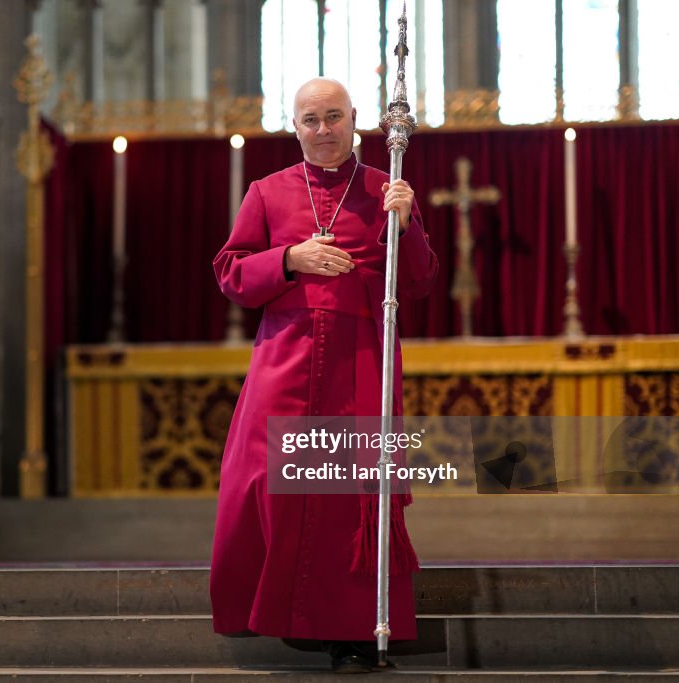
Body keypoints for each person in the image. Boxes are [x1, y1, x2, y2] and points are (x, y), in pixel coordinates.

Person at [210, 78, 438, 673]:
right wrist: (290, 258)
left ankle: (355, 633)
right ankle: (266, 612)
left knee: (350, 498)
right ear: (295, 127)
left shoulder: (384, 188)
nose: (323, 129)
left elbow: (417, 282)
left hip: (358, 360)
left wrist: (406, 223)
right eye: (310, 120)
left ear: (355, 119)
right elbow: (231, 273)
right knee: (258, 479)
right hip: (284, 358)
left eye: (333, 117)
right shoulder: (267, 192)